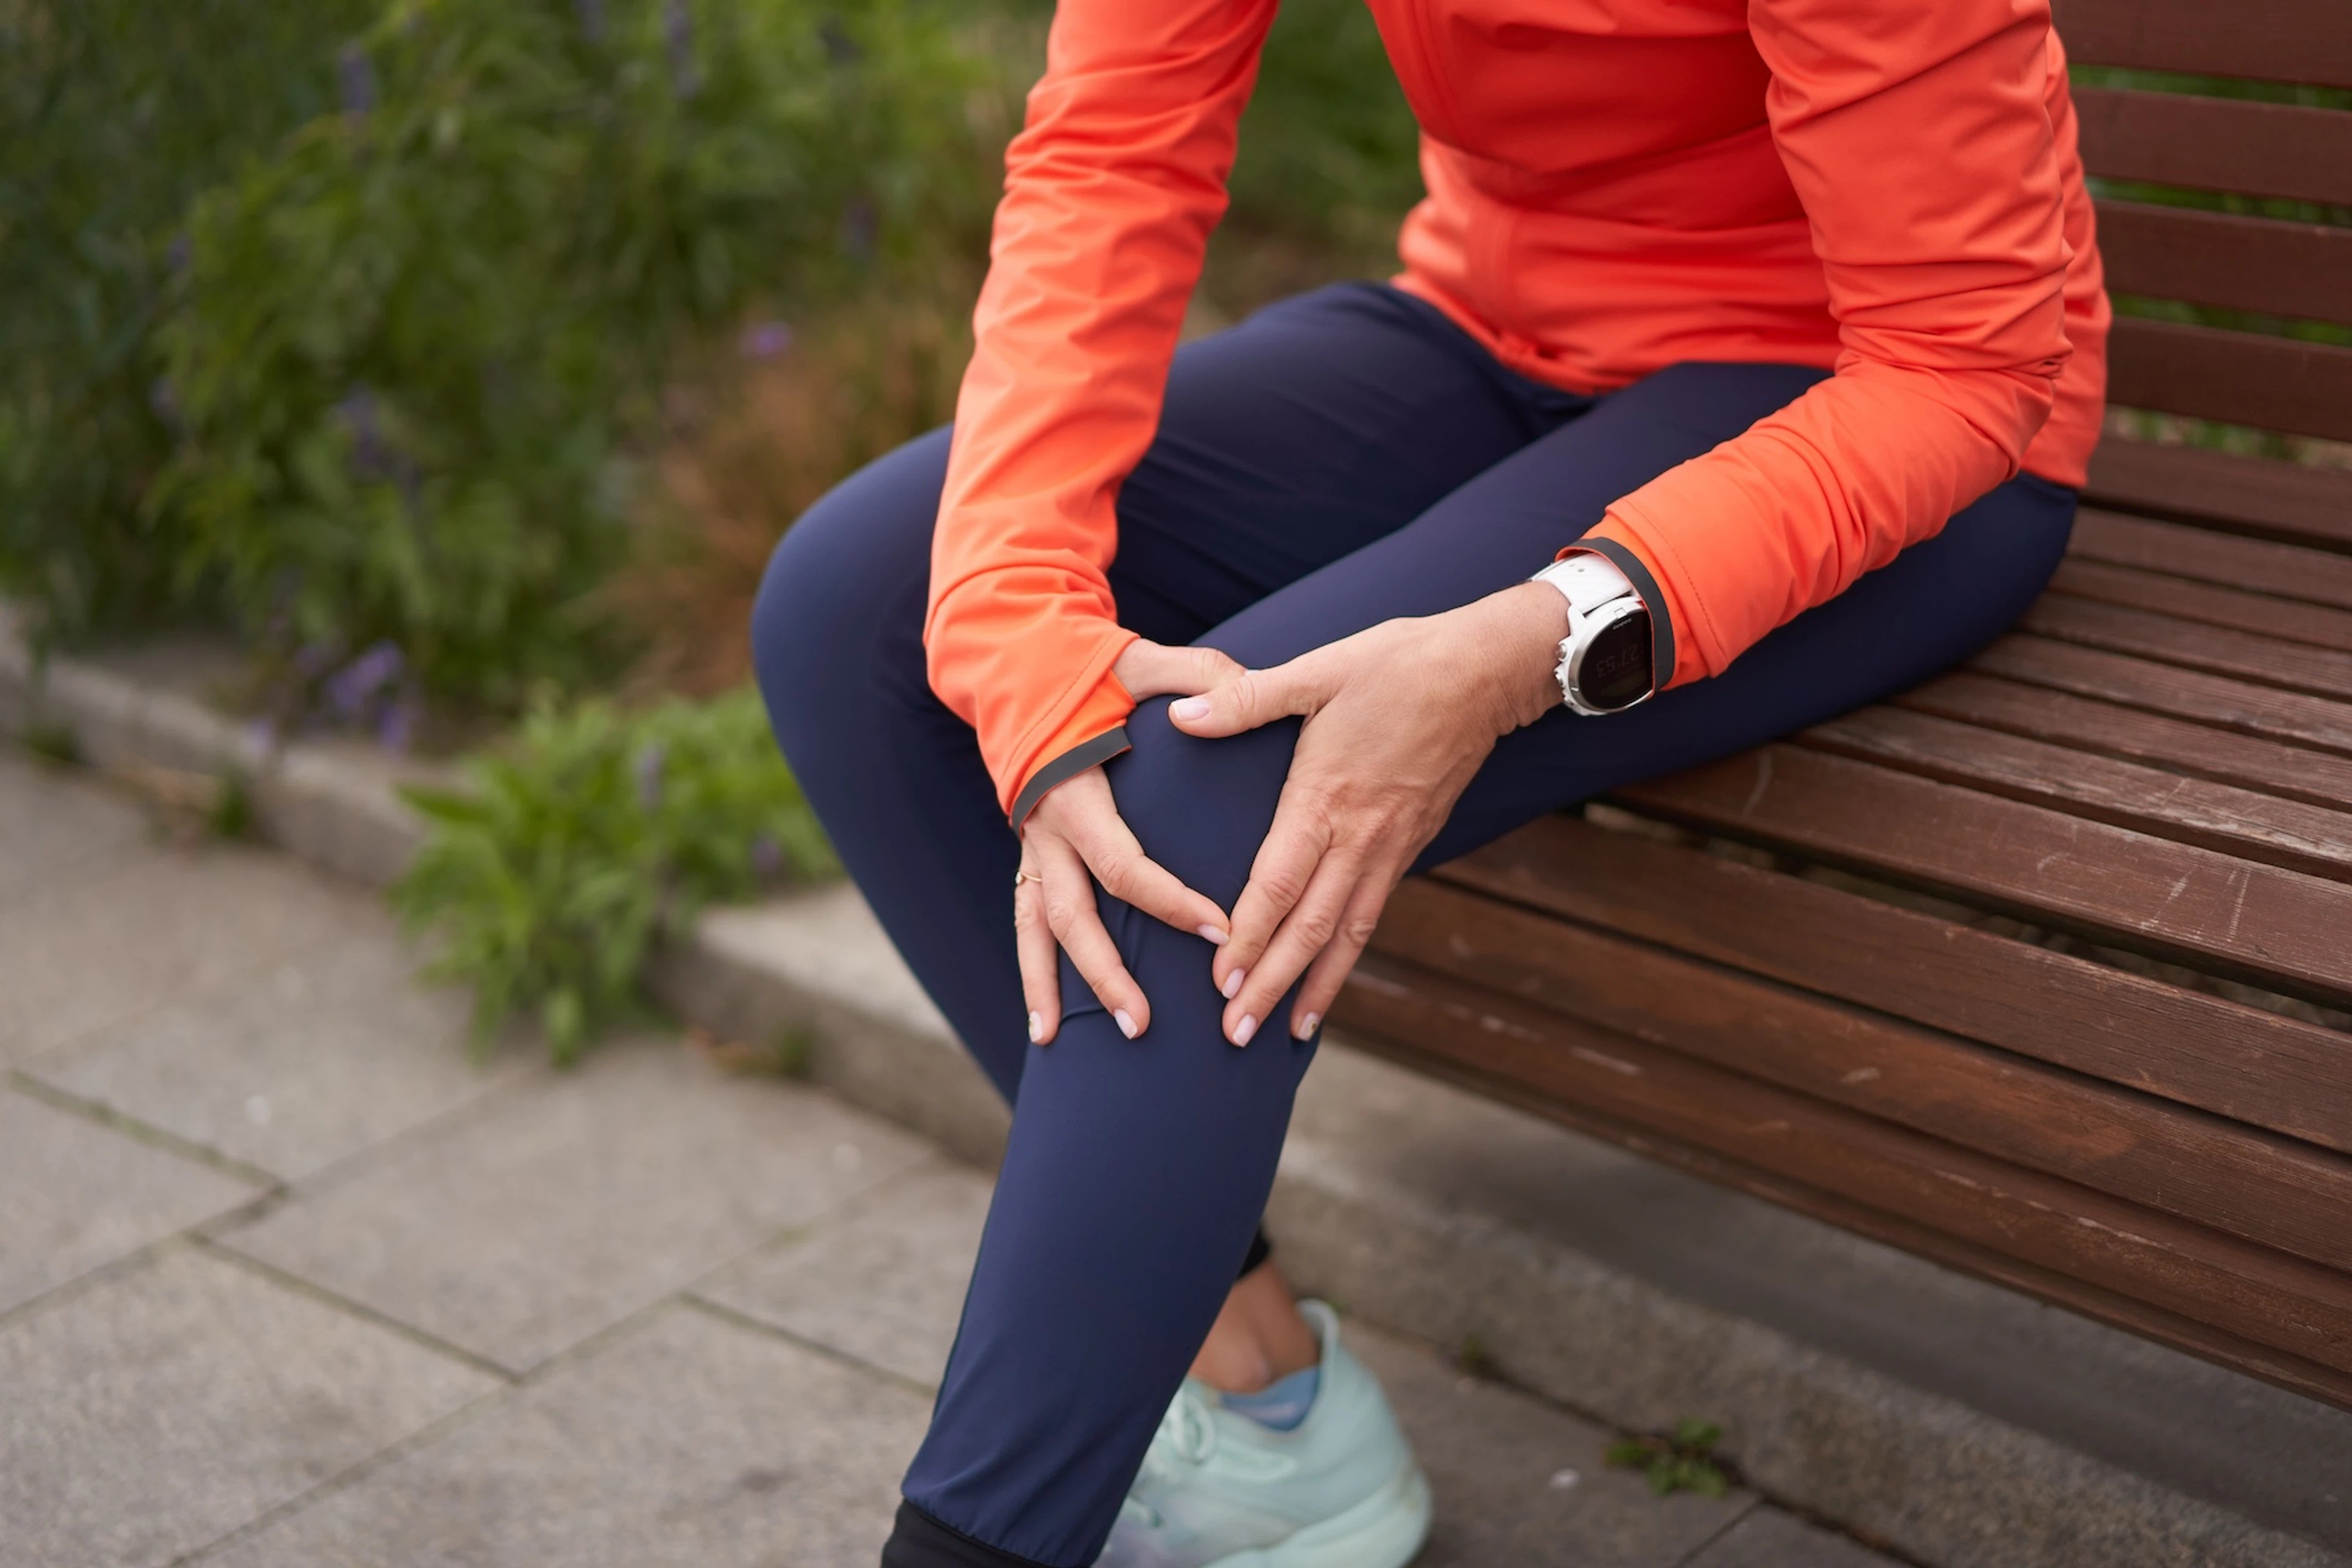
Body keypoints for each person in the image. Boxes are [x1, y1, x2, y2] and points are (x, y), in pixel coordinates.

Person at [753, 0, 2108, 1562]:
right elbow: (1113, 146)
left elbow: (1962, 357)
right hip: (1495, 336)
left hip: (1878, 411)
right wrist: (1020, 621)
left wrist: (1535, 638)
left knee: (1227, 798)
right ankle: (1263, 1401)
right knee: (863, 609)